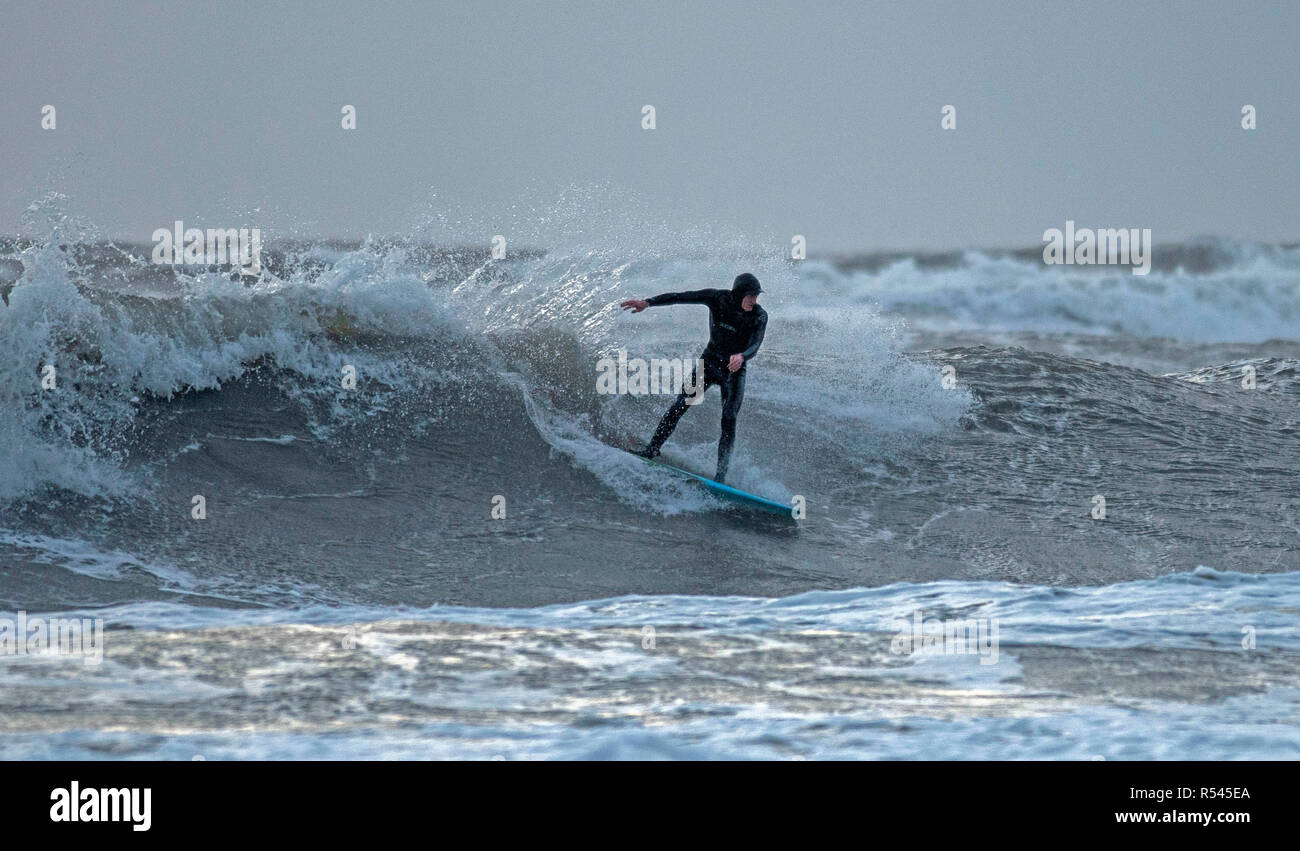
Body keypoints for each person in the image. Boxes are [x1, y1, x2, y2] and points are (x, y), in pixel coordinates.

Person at [620, 272, 767, 483]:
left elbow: (756, 344)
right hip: (709, 364)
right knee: (680, 404)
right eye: (751, 296)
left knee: (729, 418)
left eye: (756, 296)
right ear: (739, 293)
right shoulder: (718, 298)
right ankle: (652, 450)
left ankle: (720, 477)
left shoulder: (759, 316)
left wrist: (743, 356)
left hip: (734, 371)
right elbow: (681, 297)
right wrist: (647, 303)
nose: (754, 301)